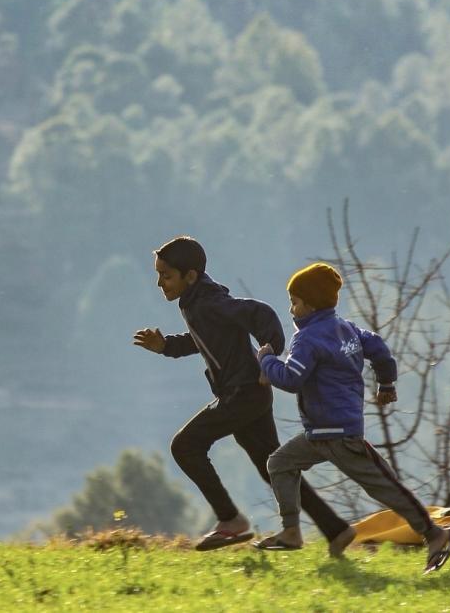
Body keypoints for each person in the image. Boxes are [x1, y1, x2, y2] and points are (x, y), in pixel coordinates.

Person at [133, 237, 357, 555]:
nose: (159, 283)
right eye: (158, 275)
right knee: (273, 467)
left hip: (245, 393)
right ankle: (335, 529)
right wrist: (166, 346)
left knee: (185, 446)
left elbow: (260, 314)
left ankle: (230, 521)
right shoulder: (196, 303)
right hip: (247, 393)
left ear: (191, 276)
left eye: (166, 276)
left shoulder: (209, 301)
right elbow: (203, 338)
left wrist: (270, 356)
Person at [254, 262, 450, 573]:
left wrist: (266, 361)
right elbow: (378, 348)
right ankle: (292, 532)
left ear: (310, 305)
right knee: (280, 463)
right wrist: (386, 382)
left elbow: (292, 377)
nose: (291, 309)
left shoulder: (308, 339)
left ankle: (436, 534)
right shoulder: (347, 330)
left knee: (385, 486)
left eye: (294, 302)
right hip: (321, 433)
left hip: (337, 433)